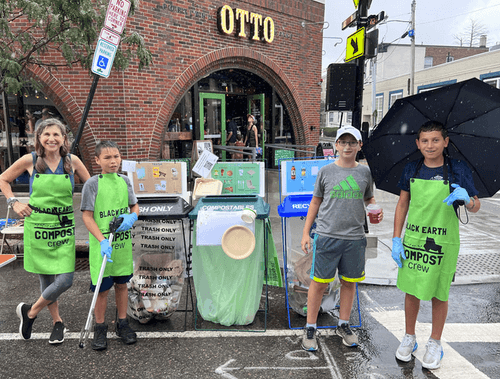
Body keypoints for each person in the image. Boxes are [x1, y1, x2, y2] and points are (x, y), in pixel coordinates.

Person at [392, 121, 480, 370]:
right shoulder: (412, 169)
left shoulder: (457, 170)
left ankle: (435, 342)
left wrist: (468, 200)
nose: (430, 145)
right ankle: (410, 337)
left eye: (435, 140)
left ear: (445, 142)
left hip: (444, 241)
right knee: (412, 289)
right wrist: (396, 238)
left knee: (439, 292)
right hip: (414, 240)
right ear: (418, 144)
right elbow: (402, 204)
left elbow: (475, 204)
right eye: (425, 140)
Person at [0, 118, 90, 344]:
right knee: (47, 279)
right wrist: (14, 202)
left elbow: (92, 188)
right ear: (39, 138)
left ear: (63, 138)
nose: (51, 138)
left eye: (56, 134)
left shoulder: (73, 161)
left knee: (65, 279)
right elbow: (3, 179)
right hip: (38, 226)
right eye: (46, 134)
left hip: (63, 228)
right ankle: (57, 323)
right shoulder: (30, 160)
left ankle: (30, 312)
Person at [300, 126, 382, 351]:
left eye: (352, 142)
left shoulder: (365, 173)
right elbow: (315, 202)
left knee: (349, 283)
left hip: (355, 238)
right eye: (343, 142)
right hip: (326, 236)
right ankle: (310, 327)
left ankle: (344, 324)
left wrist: (375, 210)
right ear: (335, 145)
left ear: (359, 146)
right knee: (319, 283)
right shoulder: (326, 171)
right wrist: (306, 232)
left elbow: (369, 198)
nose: (347, 146)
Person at [81, 140, 139, 351]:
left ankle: (122, 324)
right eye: (107, 157)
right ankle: (100, 327)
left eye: (116, 156)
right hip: (102, 245)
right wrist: (102, 240)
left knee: (122, 285)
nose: (113, 161)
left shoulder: (125, 181)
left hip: (122, 245)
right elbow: (87, 217)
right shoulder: (92, 184)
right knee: (102, 290)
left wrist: (132, 218)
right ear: (97, 160)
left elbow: (134, 206)